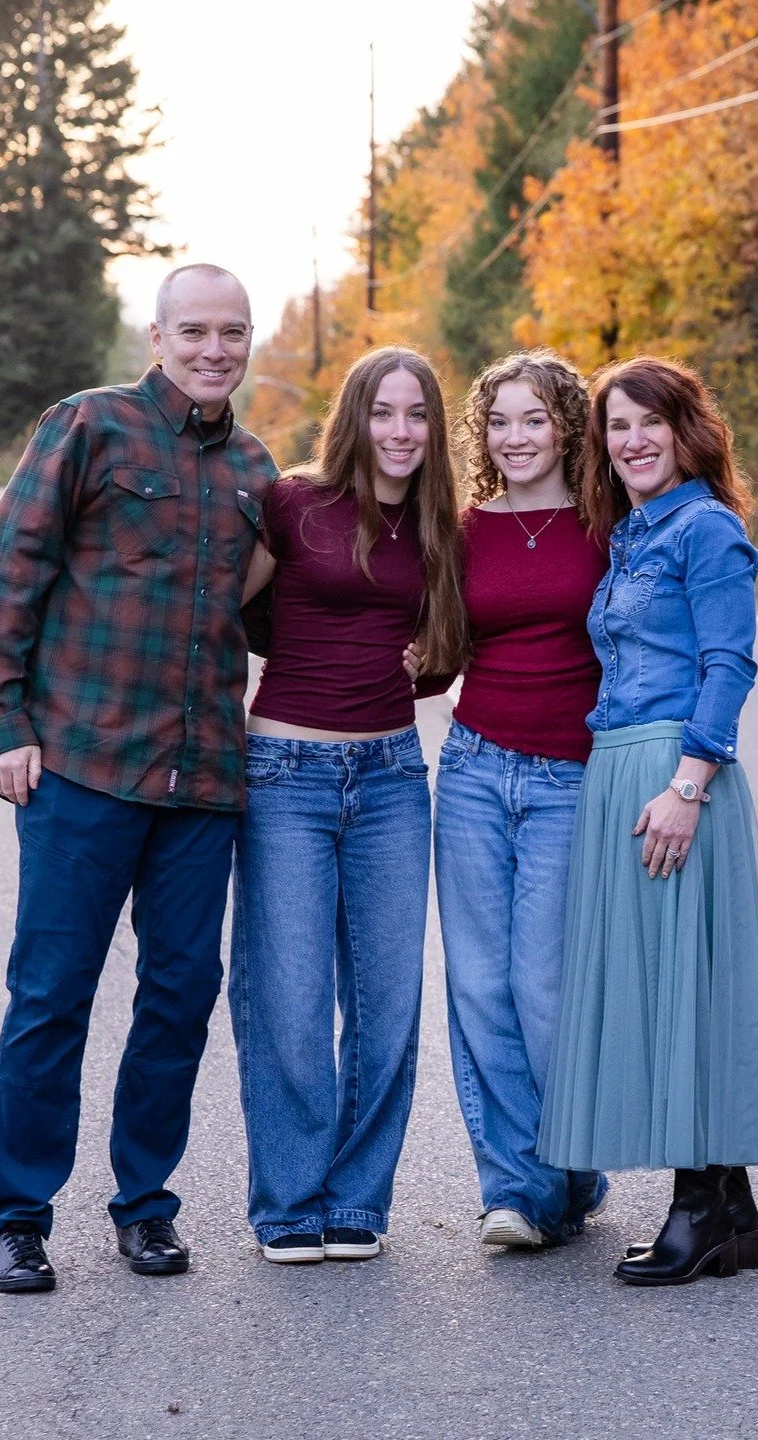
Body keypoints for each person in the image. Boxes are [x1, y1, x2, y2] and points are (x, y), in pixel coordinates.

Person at [0, 263, 276, 1293]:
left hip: (203, 785)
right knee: (52, 997)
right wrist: (2, 722)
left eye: (232, 332)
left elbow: (269, 617)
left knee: (180, 1000)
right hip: (84, 768)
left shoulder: (256, 471)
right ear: (159, 336)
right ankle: (18, 1216)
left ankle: (146, 1206)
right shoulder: (90, 426)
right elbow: (11, 571)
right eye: (195, 331)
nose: (214, 349)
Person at [536, 355, 758, 1287]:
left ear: (688, 433)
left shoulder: (706, 529)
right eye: (618, 425)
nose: (634, 440)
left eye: (651, 422)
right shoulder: (631, 532)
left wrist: (688, 786)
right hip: (622, 766)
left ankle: (696, 1208)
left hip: (673, 775)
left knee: (684, 985)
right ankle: (731, 1215)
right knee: (670, 980)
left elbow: (730, 664)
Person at [228, 346, 467, 1264]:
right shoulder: (295, 503)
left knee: (387, 1004)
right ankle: (291, 1202)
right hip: (285, 775)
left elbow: (445, 652)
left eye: (418, 414)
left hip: (393, 780)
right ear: (355, 418)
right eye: (383, 411)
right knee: (288, 999)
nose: (400, 431)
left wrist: (429, 665)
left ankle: (358, 1201)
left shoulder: (441, 526)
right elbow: (219, 615)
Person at [431, 350, 609, 1250]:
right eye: (498, 421)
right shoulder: (463, 530)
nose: (515, 437)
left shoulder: (608, 525)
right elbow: (433, 648)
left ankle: (570, 1164)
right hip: (472, 770)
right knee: (478, 985)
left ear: (567, 428)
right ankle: (517, 1187)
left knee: (543, 986)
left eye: (533, 419)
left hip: (569, 777)